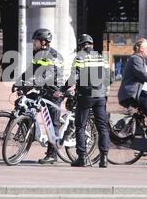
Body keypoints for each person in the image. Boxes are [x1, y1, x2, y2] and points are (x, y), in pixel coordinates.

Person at [19, 28, 64, 164]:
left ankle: (52, 154)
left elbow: (49, 75)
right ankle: (30, 131)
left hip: (54, 91)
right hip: (43, 90)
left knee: (52, 123)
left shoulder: (52, 55)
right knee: (23, 103)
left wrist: (32, 84)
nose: (34, 43)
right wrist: (19, 83)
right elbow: (30, 70)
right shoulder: (38, 54)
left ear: (44, 42)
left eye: (36, 41)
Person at [68, 34, 110, 168]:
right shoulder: (101, 57)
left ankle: (82, 158)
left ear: (81, 45)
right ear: (91, 44)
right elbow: (109, 77)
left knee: (80, 126)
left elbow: (73, 77)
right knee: (102, 127)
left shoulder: (79, 57)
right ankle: (104, 159)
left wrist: (63, 89)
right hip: (101, 96)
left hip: (86, 95)